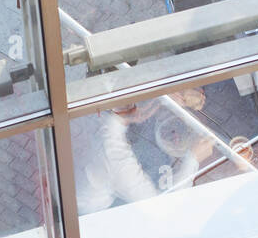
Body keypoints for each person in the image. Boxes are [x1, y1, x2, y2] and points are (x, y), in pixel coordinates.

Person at [75, 88, 213, 214]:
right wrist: (193, 159)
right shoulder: (117, 160)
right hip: (86, 208)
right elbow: (162, 209)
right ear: (140, 114)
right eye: (154, 107)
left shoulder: (88, 104)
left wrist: (165, 94)